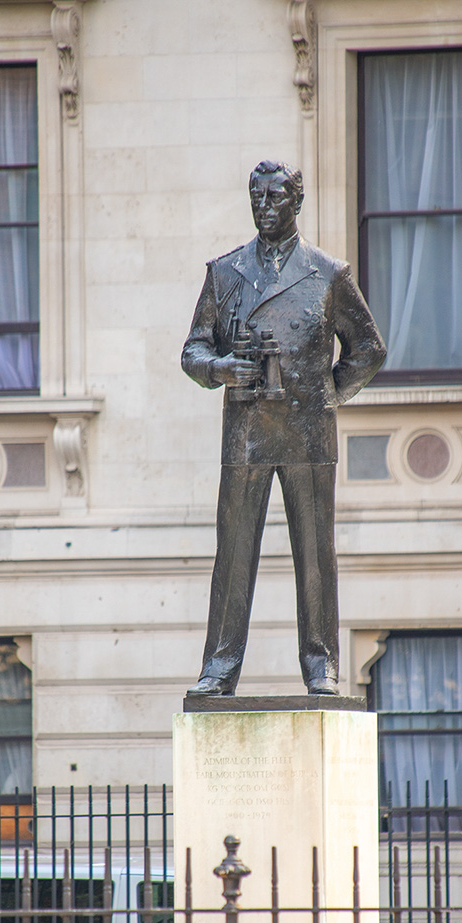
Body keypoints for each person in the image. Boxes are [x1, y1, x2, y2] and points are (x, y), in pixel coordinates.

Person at [182, 160, 386, 696]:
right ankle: (219, 667)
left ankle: (321, 664)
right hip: (246, 432)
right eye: (257, 198)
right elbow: (193, 349)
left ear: (297, 202)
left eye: (275, 198)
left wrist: (326, 395)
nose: (265, 207)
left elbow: (368, 348)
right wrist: (217, 368)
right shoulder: (224, 273)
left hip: (308, 433)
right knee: (233, 552)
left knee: (316, 552)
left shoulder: (328, 273)